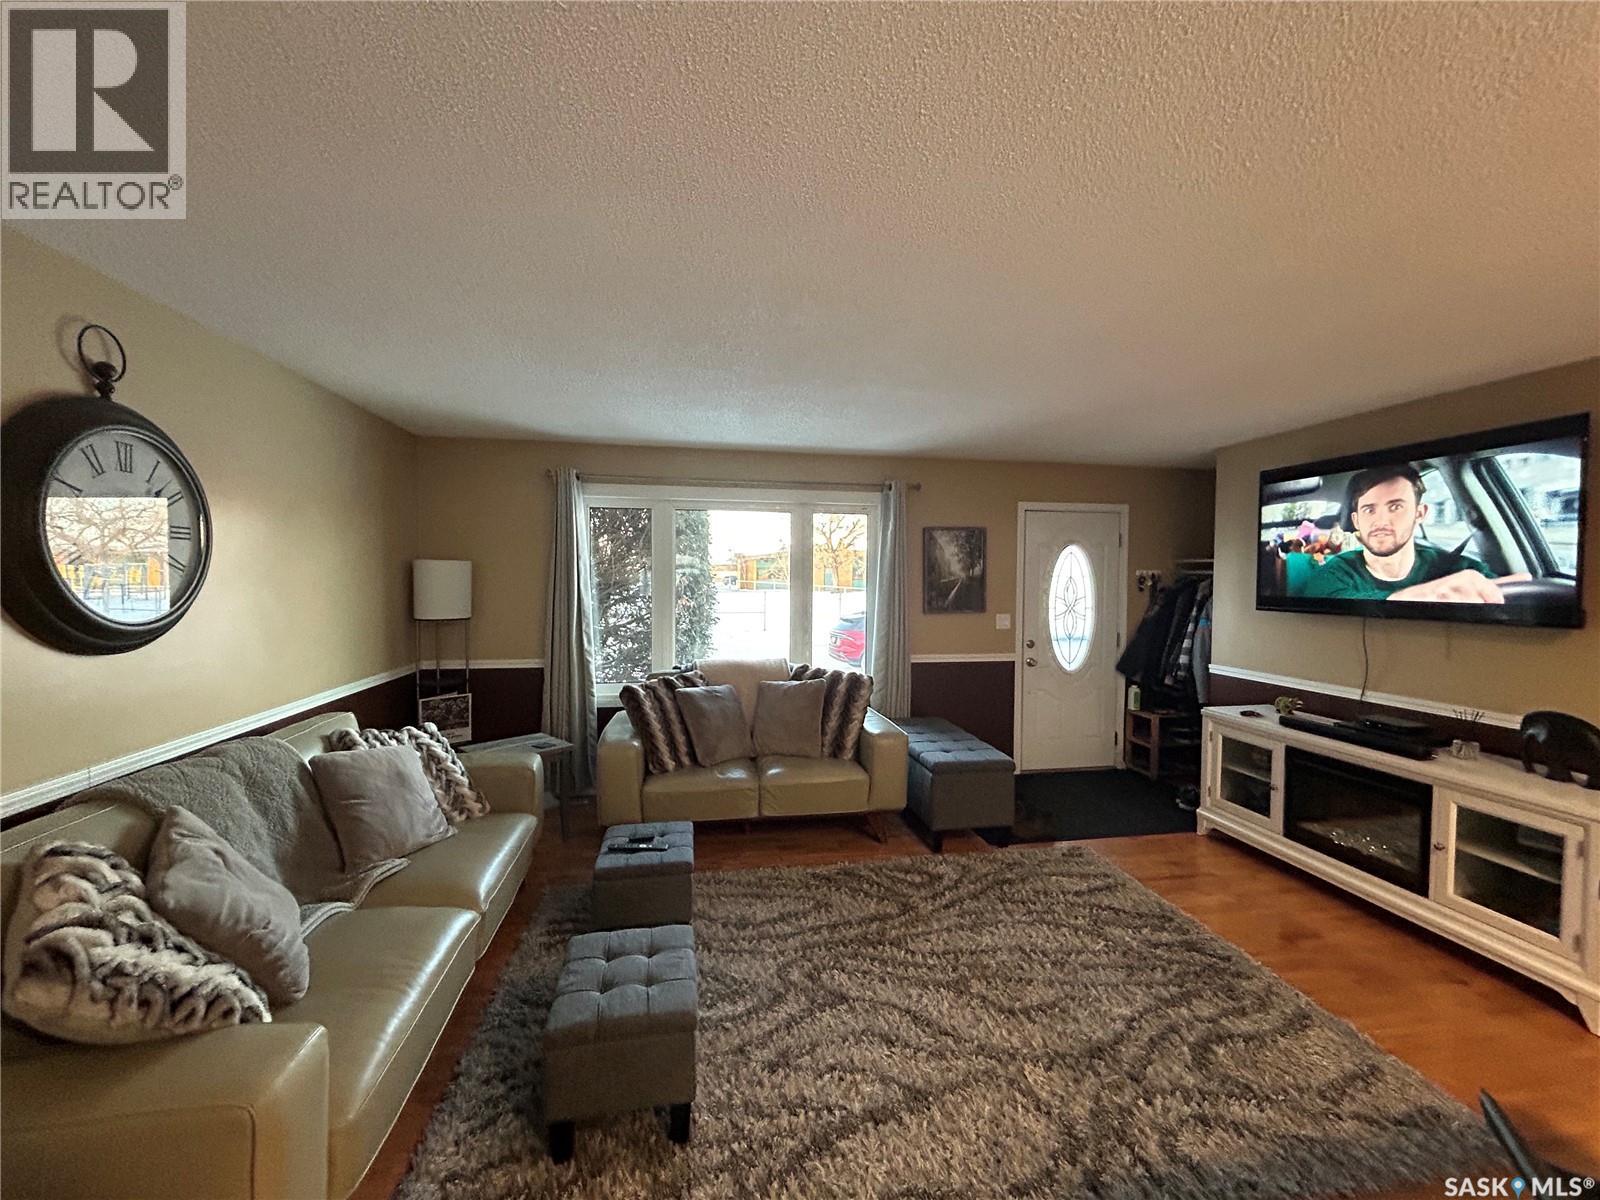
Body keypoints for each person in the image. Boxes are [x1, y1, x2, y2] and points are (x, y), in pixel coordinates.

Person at [1299, 464, 1529, 603]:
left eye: (1395, 507)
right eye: (1369, 509)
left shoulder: (1462, 569)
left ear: (1420, 513)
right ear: (1356, 520)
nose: (1381, 521)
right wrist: (1431, 595)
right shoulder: (1333, 574)